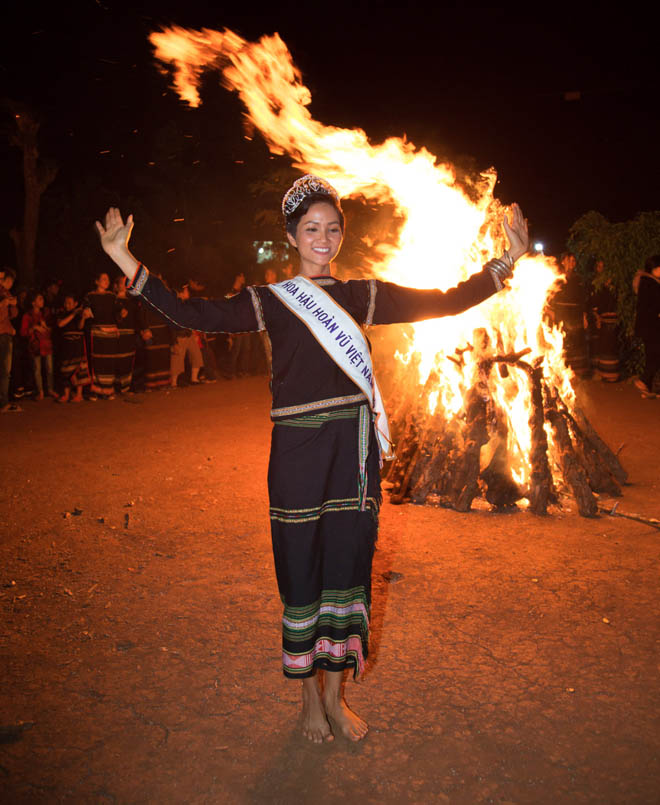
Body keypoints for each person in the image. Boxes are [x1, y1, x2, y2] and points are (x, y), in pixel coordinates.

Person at [96, 175, 529, 744]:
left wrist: (505, 263)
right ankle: (307, 700)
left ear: (340, 235)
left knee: (347, 567)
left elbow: (441, 302)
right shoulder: (270, 301)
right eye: (310, 229)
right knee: (302, 570)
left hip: (352, 453)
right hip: (298, 454)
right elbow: (192, 313)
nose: (321, 239)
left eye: (331, 229)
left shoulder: (361, 296)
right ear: (292, 237)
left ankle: (335, 696)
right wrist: (124, 258)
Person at [551, 252, 589, 376]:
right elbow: (550, 295)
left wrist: (584, 316)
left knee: (577, 342)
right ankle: (563, 372)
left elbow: (583, 298)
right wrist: (550, 311)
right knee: (563, 342)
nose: (573, 263)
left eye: (574, 261)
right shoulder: (557, 278)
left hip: (576, 314)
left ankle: (577, 372)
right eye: (570, 260)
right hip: (561, 314)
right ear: (563, 261)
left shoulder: (578, 278)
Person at [84, 271, 119, 399]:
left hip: (110, 335)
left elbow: (117, 313)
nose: (106, 281)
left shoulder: (112, 296)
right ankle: (96, 391)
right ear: (97, 281)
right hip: (97, 333)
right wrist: (86, 313)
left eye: (107, 279)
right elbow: (87, 311)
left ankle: (109, 390)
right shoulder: (90, 296)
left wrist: (121, 315)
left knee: (109, 362)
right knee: (97, 361)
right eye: (103, 279)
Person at [632, 255, 660, 397]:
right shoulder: (651, 283)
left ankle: (647, 388)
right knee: (655, 354)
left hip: (648, 326)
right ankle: (643, 381)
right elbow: (654, 305)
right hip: (651, 326)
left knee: (652, 354)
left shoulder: (646, 281)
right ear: (653, 268)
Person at [56, 293, 92, 402]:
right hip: (67, 346)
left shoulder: (78, 315)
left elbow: (80, 327)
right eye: (66, 303)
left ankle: (79, 394)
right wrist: (73, 313)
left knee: (79, 370)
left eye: (70, 303)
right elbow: (60, 324)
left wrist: (83, 318)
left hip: (77, 345)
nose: (67, 305)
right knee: (66, 370)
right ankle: (66, 394)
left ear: (75, 304)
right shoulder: (61, 313)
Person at [20, 291, 55, 400]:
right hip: (35, 346)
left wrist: (46, 328)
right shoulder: (27, 316)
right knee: (37, 369)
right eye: (39, 299)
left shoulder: (45, 313)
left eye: (42, 299)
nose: (42, 301)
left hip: (47, 344)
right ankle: (40, 391)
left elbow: (52, 328)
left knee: (49, 368)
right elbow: (23, 332)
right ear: (33, 302)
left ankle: (50, 389)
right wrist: (34, 327)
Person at [589, 259, 620, 382]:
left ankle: (612, 374)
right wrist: (596, 316)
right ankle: (603, 373)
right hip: (602, 318)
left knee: (611, 346)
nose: (601, 269)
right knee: (602, 346)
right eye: (599, 266)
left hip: (613, 318)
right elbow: (594, 301)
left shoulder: (614, 283)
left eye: (603, 266)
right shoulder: (596, 283)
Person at [0, 268, 21, 412]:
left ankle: (4, 401)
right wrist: (3, 304)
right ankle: (3, 402)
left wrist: (13, 305)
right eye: (7, 280)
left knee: (5, 371)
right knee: (4, 370)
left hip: (6, 333)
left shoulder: (6, 293)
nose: (9, 284)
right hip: (3, 333)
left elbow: (13, 315)